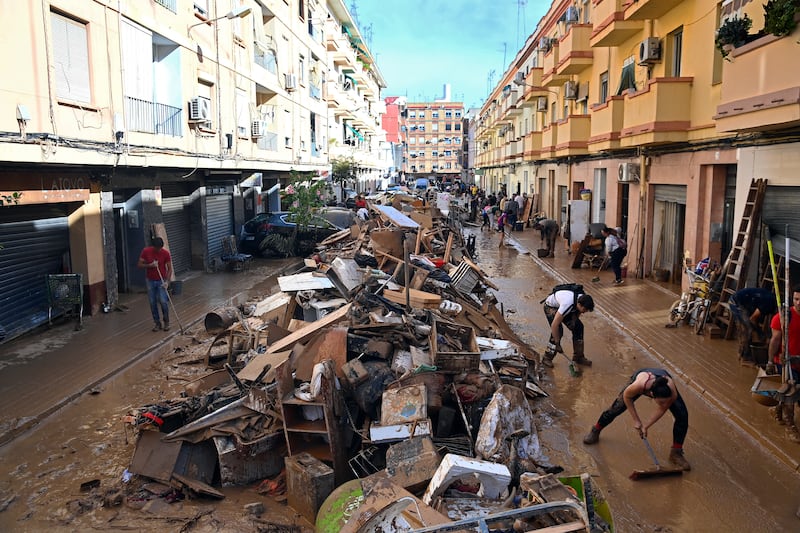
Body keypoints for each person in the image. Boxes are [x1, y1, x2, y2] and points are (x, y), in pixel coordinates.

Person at [582, 368, 691, 471]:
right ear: (652, 395)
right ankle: (595, 430)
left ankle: (676, 453)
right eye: (661, 401)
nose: (663, 404)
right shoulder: (638, 385)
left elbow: (662, 408)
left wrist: (646, 426)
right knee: (616, 408)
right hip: (643, 377)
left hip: (661, 382)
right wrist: (636, 420)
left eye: (665, 401)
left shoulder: (671, 391)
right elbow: (627, 397)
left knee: (682, 415)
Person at [766, 285, 800, 443]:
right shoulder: (783, 318)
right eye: (796, 299)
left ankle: (777, 409)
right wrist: (770, 361)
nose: (799, 302)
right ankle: (790, 427)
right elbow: (775, 341)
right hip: (786, 363)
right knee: (790, 393)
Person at [542, 285, 595, 367]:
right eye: (585, 310)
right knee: (558, 331)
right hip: (551, 307)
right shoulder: (567, 304)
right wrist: (557, 343)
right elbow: (554, 325)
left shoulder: (582, 297)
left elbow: (578, 312)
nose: (585, 312)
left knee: (578, 327)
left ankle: (578, 357)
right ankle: (547, 357)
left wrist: (574, 322)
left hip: (567, 307)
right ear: (580, 305)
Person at [729, 287, 777, 366]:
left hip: (747, 303)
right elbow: (752, 319)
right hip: (736, 302)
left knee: (750, 328)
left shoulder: (771, 303)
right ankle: (745, 357)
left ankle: (745, 353)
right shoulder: (768, 303)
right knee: (747, 329)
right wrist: (760, 333)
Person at [137, 237, 172, 332]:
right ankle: (157, 323)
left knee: (163, 301)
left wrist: (167, 282)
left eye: (160, 248)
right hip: (150, 280)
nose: (159, 250)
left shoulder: (165, 253)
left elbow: (169, 269)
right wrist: (150, 265)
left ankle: (166, 322)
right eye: (157, 248)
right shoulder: (146, 251)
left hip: (161, 280)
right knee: (152, 303)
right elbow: (139, 264)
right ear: (153, 247)